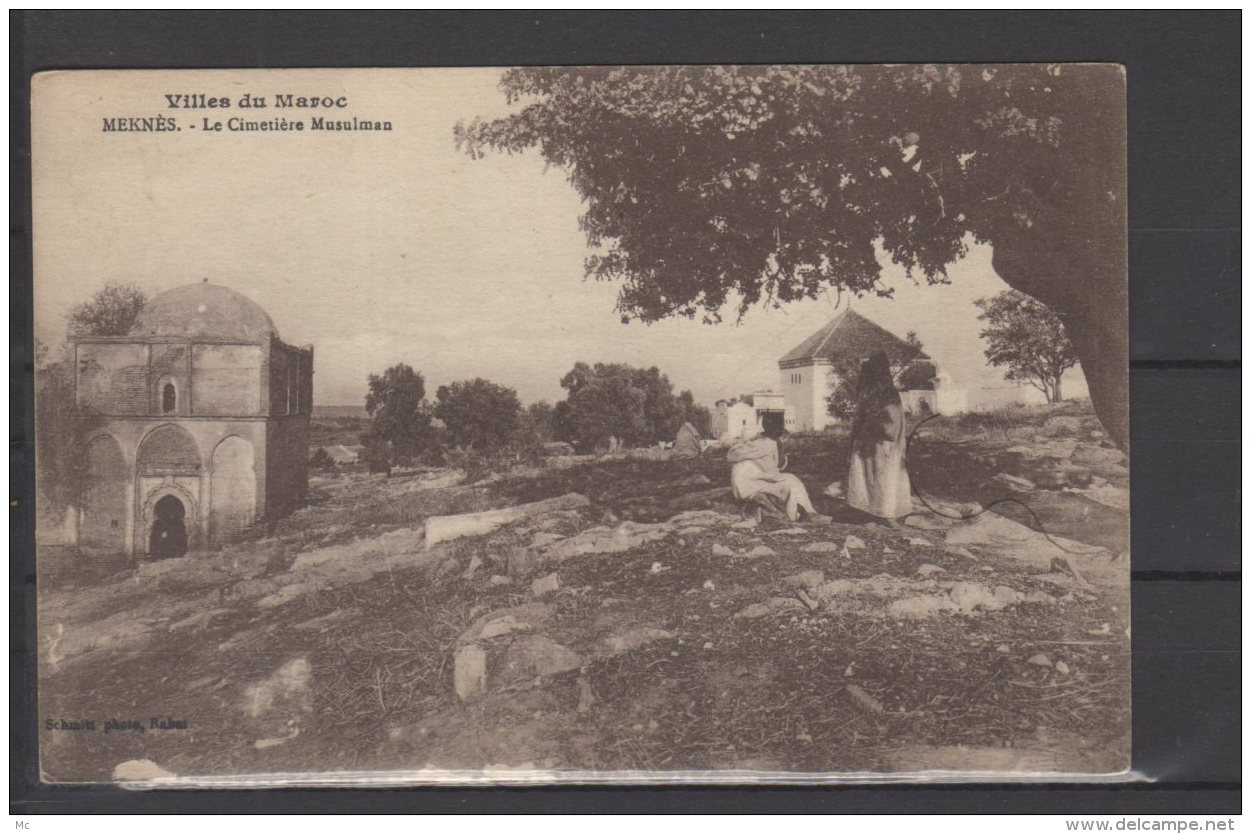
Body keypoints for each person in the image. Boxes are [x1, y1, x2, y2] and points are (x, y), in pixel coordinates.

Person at [846, 350, 912, 524]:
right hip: (870, 443)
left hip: (882, 442)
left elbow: (892, 424)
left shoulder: (888, 394)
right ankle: (872, 511)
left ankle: (887, 514)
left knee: (884, 478)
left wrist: (869, 426)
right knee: (871, 478)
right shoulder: (871, 394)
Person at [727, 426, 829, 523]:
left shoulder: (739, 450)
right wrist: (776, 477)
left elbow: (759, 472)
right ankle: (798, 514)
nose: (762, 439)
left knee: (790, 480)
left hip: (746, 486)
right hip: (749, 488)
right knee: (792, 484)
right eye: (759, 436)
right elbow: (769, 471)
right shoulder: (758, 449)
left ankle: (805, 512)